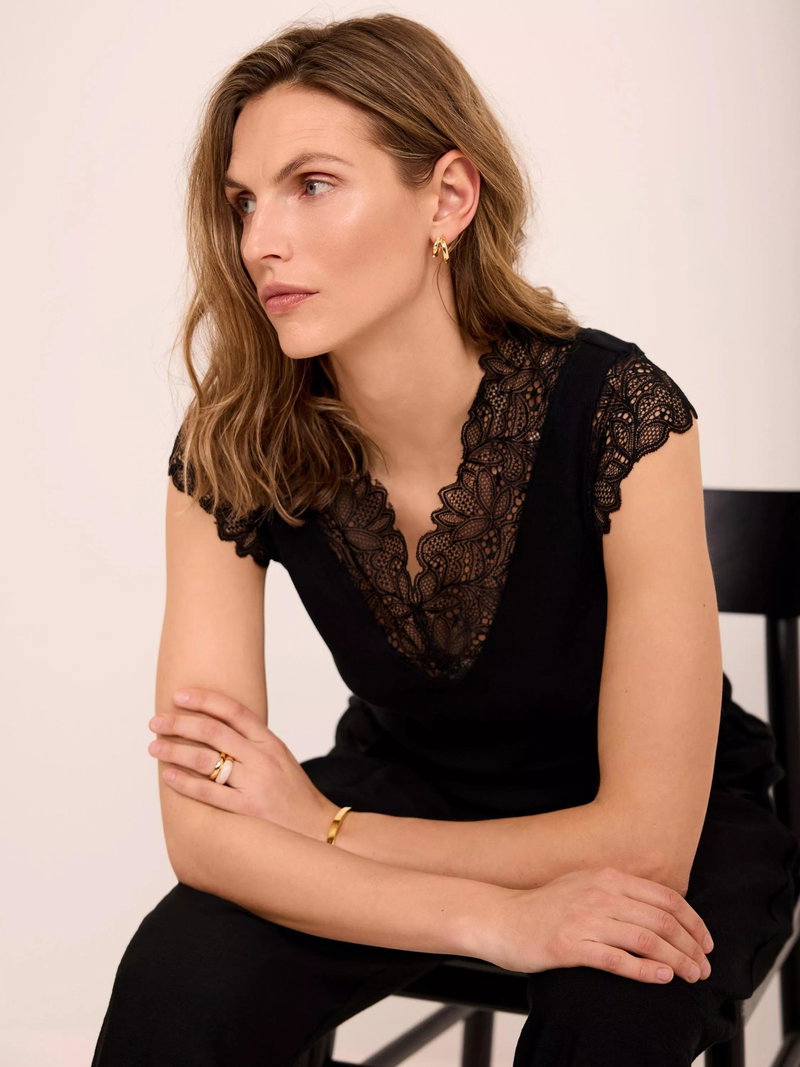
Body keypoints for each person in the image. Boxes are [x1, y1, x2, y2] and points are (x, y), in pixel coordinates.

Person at [91, 12, 800, 1066]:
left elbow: (643, 839)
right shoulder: (235, 442)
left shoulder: (619, 411)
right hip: (404, 783)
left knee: (616, 1008)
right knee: (178, 978)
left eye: (311, 184)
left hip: (667, 814)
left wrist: (321, 827)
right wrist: (492, 917)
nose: (260, 241)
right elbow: (204, 833)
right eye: (243, 202)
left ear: (448, 198)